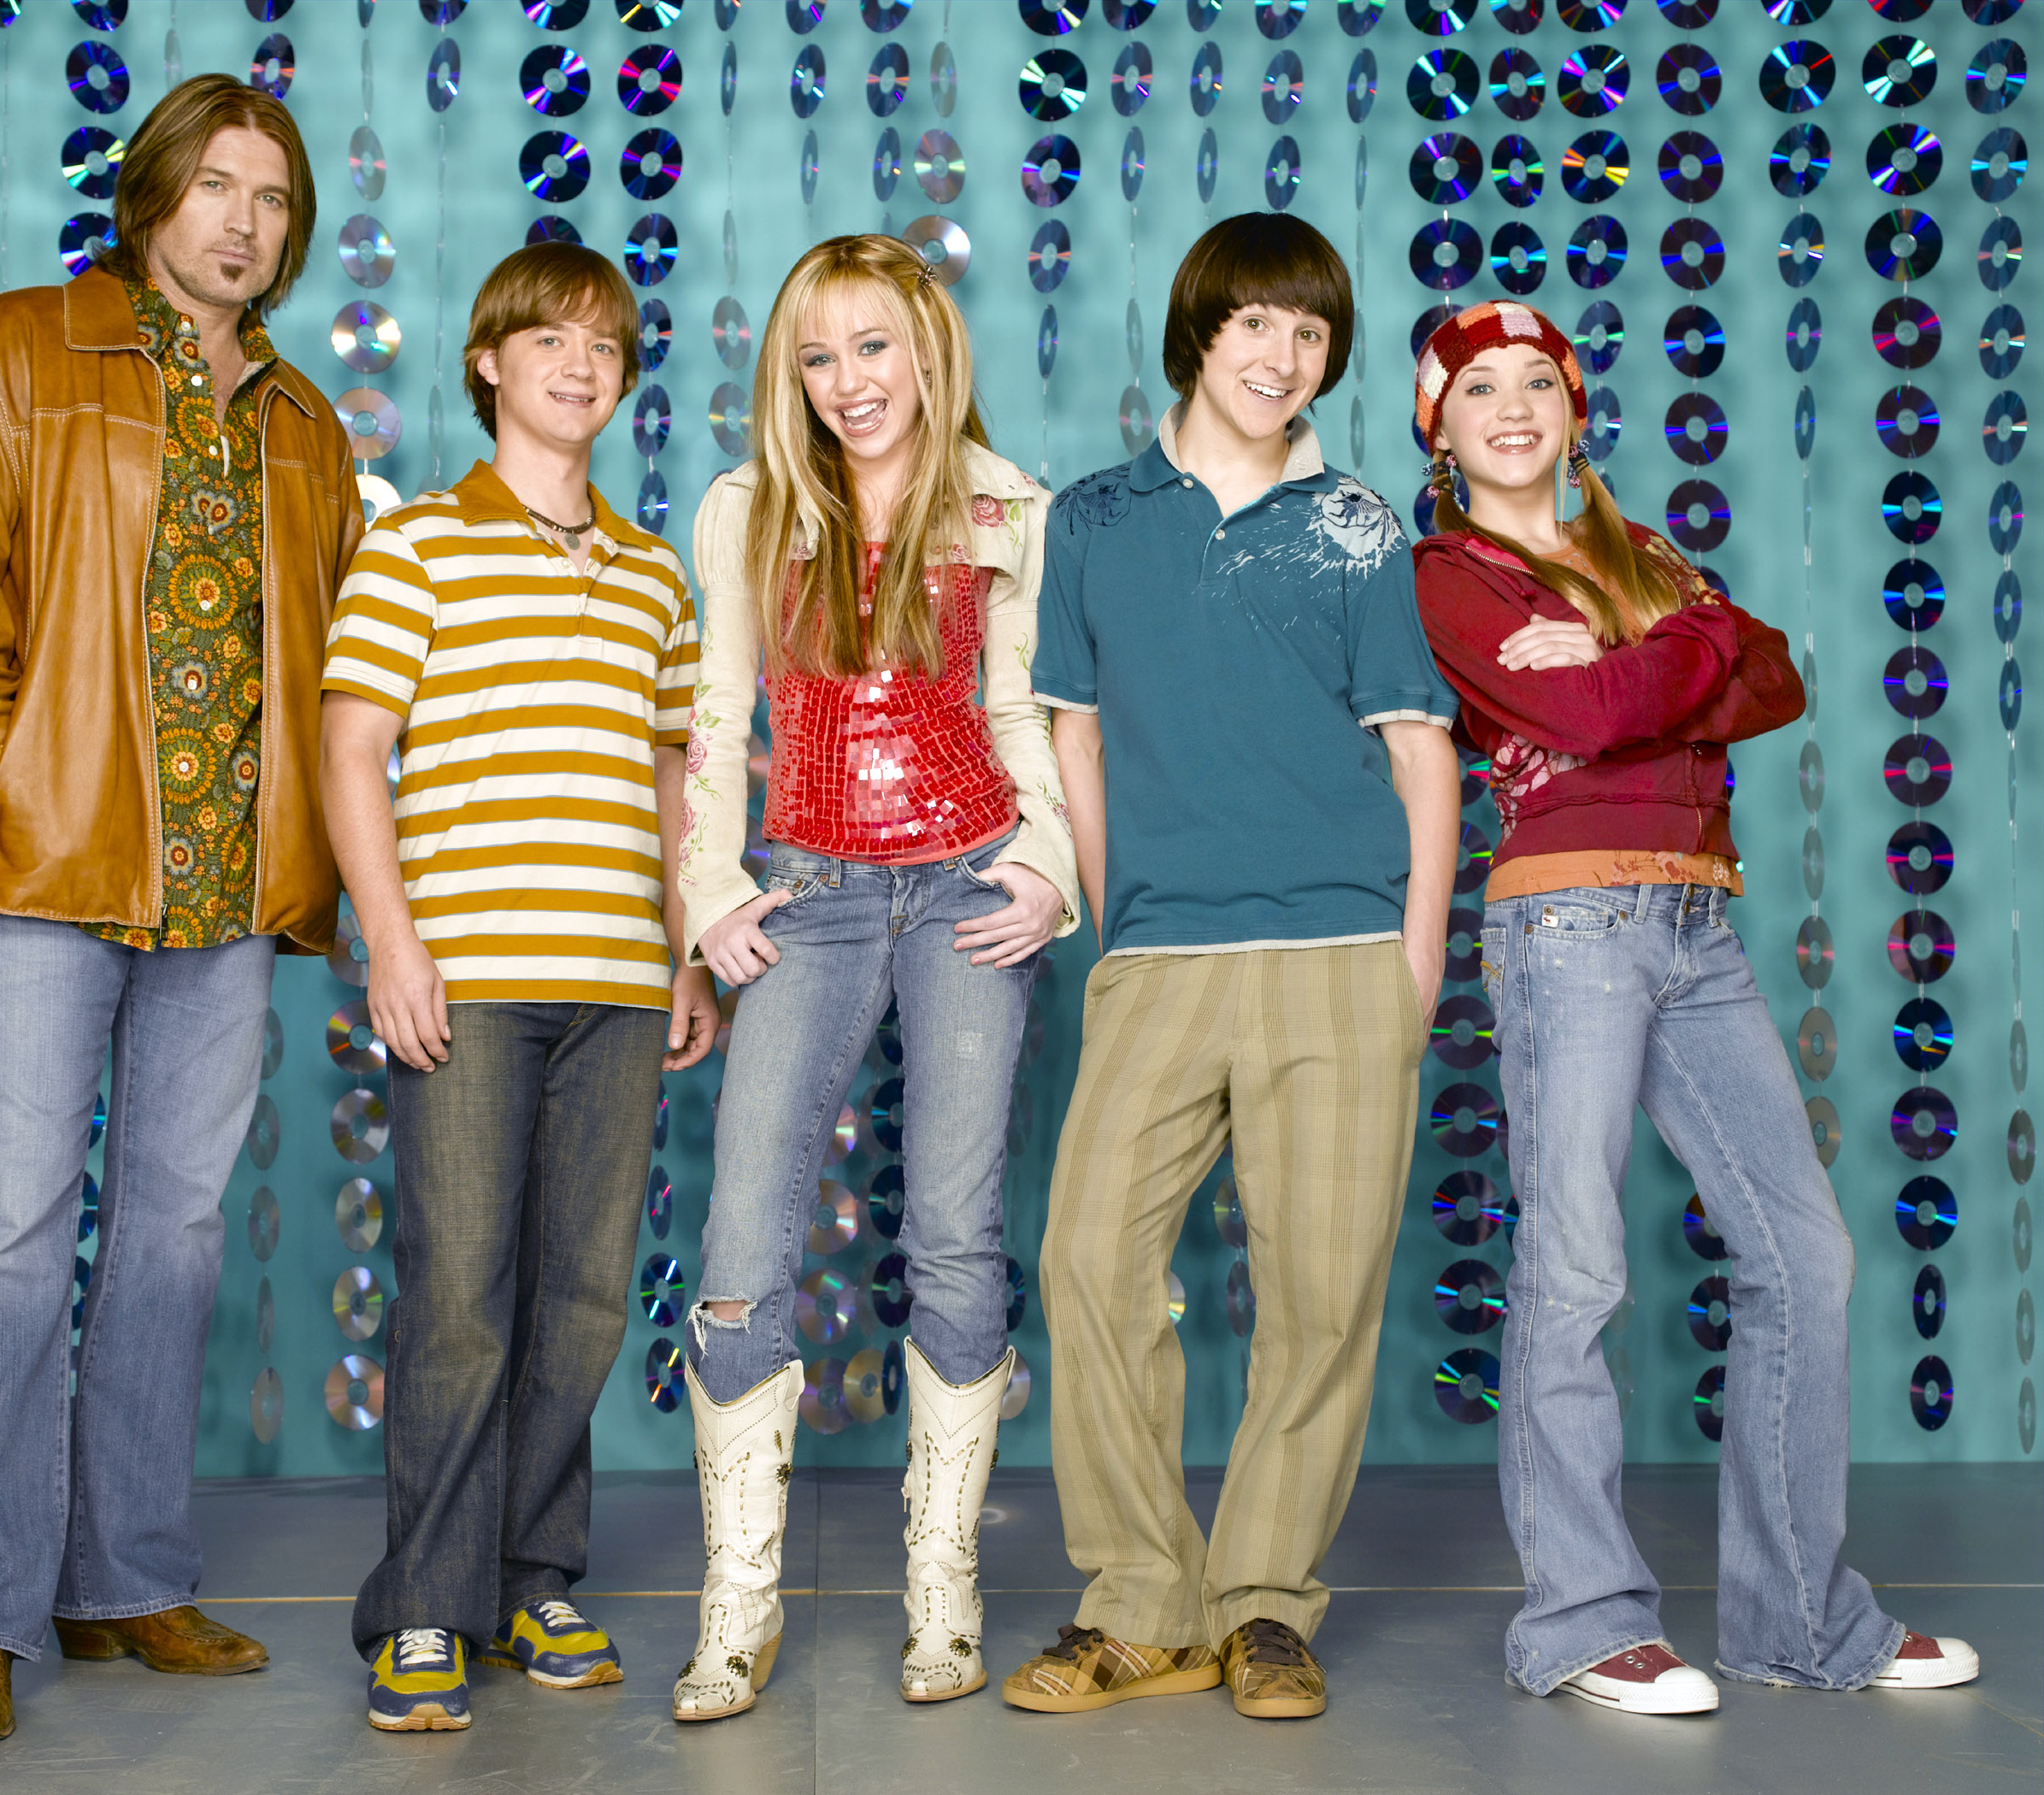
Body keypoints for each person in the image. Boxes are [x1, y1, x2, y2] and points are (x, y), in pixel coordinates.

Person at [1410, 298, 1981, 1713]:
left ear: (1572, 409)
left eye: (1536, 381)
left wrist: (1642, 653)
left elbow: (1775, 675)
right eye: (1478, 388)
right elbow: (1588, 722)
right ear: (1439, 429)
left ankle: (1801, 1624)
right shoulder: (1447, 576)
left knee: (1804, 1258)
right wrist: (1680, 654)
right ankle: (1580, 1623)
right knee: (1576, 1270)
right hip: (1567, 923)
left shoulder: (1643, 555)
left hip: (1695, 920)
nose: (1512, 407)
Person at [0, 75, 361, 1746]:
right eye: (217, 185)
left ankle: (122, 1579)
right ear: (153, 193)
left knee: (170, 1237)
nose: (244, 221)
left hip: (227, 883)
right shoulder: (9, 350)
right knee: (4, 1238)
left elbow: (332, 659)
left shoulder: (303, 423)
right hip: (43, 860)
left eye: (273, 198)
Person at [1007, 214, 1459, 1723]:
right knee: (1088, 1262)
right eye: (1255, 322)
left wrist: (1414, 962)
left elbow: (1420, 751)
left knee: (1321, 1302)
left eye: (1311, 333)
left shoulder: (1357, 525)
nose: (1282, 355)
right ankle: (1142, 1604)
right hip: (1162, 952)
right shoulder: (1093, 518)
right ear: (1198, 332)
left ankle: (1264, 1602)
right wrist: (1116, 914)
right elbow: (1073, 734)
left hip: (1342, 951)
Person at [673, 234, 1079, 1720]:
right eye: (816, 355)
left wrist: (1048, 866)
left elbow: (1021, 708)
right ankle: (736, 1606)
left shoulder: (1007, 507)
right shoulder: (749, 508)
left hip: (970, 884)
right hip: (815, 892)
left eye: (870, 348)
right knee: (741, 1233)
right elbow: (717, 713)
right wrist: (710, 890)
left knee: (957, 1234)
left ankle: (941, 1587)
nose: (847, 382)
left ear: (926, 354)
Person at [320, 241, 717, 1735]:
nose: (579, 364)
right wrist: (392, 942)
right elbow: (352, 750)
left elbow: (674, 777)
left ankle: (533, 1576)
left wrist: (689, 945)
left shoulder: (654, 572)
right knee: (458, 1299)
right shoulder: (418, 545)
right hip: (470, 979)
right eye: (548, 338)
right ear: (488, 363)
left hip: (618, 982)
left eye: (604, 345)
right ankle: (425, 1606)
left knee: (584, 1301)